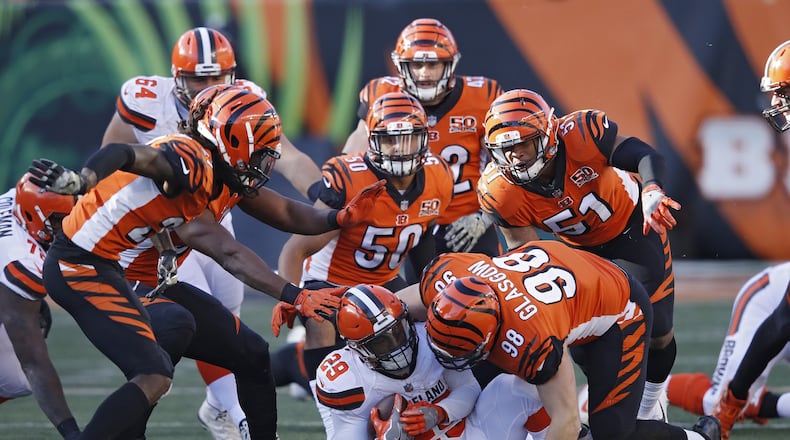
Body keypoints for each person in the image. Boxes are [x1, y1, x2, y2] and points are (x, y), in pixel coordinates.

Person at [27, 85, 382, 440]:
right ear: (232, 141)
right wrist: (84, 179)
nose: (266, 162)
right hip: (85, 266)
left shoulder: (223, 170)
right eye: (260, 151)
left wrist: (338, 219)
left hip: (138, 275)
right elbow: (227, 252)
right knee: (160, 358)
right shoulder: (189, 159)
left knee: (253, 354)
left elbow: (284, 210)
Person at [100, 26, 323, 439]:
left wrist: (324, 197)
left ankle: (218, 407)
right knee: (184, 327)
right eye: (198, 78)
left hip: (213, 212)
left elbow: (286, 159)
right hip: (160, 234)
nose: (208, 86)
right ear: (175, 77)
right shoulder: (146, 100)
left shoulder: (243, 101)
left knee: (229, 310)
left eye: (217, 77)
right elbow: (111, 162)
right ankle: (224, 414)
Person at [477, 88, 682, 421]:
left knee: (658, 332)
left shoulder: (582, 135)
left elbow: (645, 155)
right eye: (505, 149)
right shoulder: (500, 191)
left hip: (630, 229)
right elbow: (528, 253)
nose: (514, 156)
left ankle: (651, 406)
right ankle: (610, 409)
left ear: (546, 136)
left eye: (522, 144)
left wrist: (652, 189)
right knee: (589, 343)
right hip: (576, 253)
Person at [418, 242, 721, 440]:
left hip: (617, 310)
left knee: (613, 433)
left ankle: (700, 438)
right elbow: (393, 309)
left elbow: (566, 419)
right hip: (563, 279)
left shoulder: (533, 337)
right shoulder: (446, 277)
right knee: (476, 379)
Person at [271, 91, 454, 399]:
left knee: (437, 320)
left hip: (382, 281)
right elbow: (296, 248)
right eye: (389, 139)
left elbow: (422, 239)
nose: (399, 149)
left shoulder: (439, 176)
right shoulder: (350, 179)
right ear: (372, 141)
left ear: (424, 139)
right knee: (324, 330)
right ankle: (324, 398)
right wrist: (291, 296)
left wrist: (427, 290)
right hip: (328, 281)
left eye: (408, 138)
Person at [340, 18, 503, 257]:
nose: (424, 72)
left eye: (434, 64)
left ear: (450, 64)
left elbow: (507, 165)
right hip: (408, 220)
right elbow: (352, 157)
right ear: (401, 66)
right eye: (416, 64)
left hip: (467, 223)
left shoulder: (482, 97)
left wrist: (486, 215)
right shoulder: (384, 94)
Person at [313, 284, 550, 440]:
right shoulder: (347, 379)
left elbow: (468, 389)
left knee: (518, 388)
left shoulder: (429, 338)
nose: (397, 345)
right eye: (382, 343)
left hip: (467, 432)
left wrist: (439, 412)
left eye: (399, 331)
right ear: (357, 348)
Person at [664, 263, 790, 439]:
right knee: (715, 403)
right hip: (768, 305)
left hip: (781, 324)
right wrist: (733, 398)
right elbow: (777, 328)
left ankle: (760, 403)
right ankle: (649, 384)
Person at [0, 174, 80, 439]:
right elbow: (35, 362)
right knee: (22, 376)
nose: (66, 226)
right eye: (59, 220)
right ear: (34, 216)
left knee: (14, 383)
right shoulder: (19, 259)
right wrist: (71, 432)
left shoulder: (18, 200)